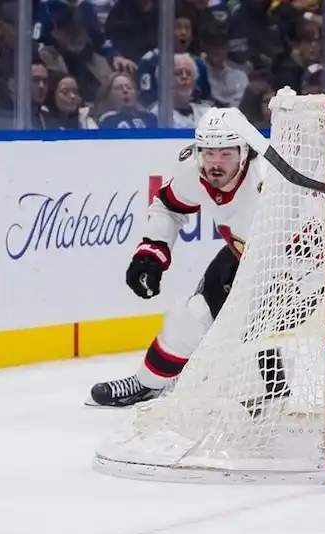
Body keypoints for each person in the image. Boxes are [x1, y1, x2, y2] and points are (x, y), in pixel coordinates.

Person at [88, 108, 267, 407]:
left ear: (244, 152)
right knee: (189, 317)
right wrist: (151, 253)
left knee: (248, 334)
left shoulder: (268, 182)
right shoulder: (192, 172)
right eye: (208, 152)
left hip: (296, 266)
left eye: (225, 153)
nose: (215, 163)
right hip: (243, 254)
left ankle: (270, 392)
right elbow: (168, 207)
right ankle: (147, 384)